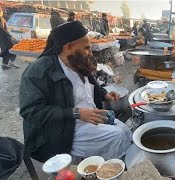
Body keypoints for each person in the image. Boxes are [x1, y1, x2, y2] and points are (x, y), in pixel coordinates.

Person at [19, 21, 132, 163]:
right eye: (86, 48)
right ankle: (116, 170)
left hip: (88, 117)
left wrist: (104, 94)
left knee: (126, 131)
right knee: (117, 136)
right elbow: (30, 111)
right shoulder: (38, 72)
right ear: (69, 47)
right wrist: (77, 113)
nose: (90, 52)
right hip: (61, 131)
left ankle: (120, 163)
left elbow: (90, 83)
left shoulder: (77, 60)